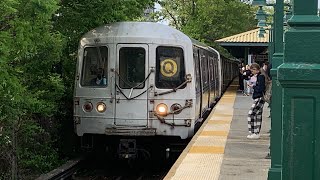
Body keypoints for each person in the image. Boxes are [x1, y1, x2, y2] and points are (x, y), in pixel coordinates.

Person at [247, 63, 266, 139]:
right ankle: (256, 133)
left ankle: (253, 132)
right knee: (258, 116)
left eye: (252, 70)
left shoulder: (260, 77)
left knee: (251, 114)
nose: (251, 71)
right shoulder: (260, 76)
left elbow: (261, 88)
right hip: (260, 98)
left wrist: (254, 86)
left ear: (255, 69)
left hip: (259, 98)